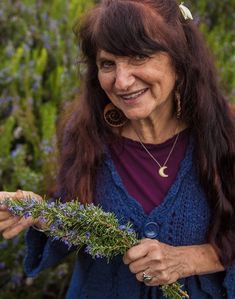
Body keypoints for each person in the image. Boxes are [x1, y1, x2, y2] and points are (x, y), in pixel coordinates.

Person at [0, 0, 235, 298]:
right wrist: (38, 211)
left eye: (138, 56)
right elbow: (81, 222)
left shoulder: (224, 132)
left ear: (180, 58)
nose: (121, 81)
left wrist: (188, 260)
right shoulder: (87, 133)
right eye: (108, 64)